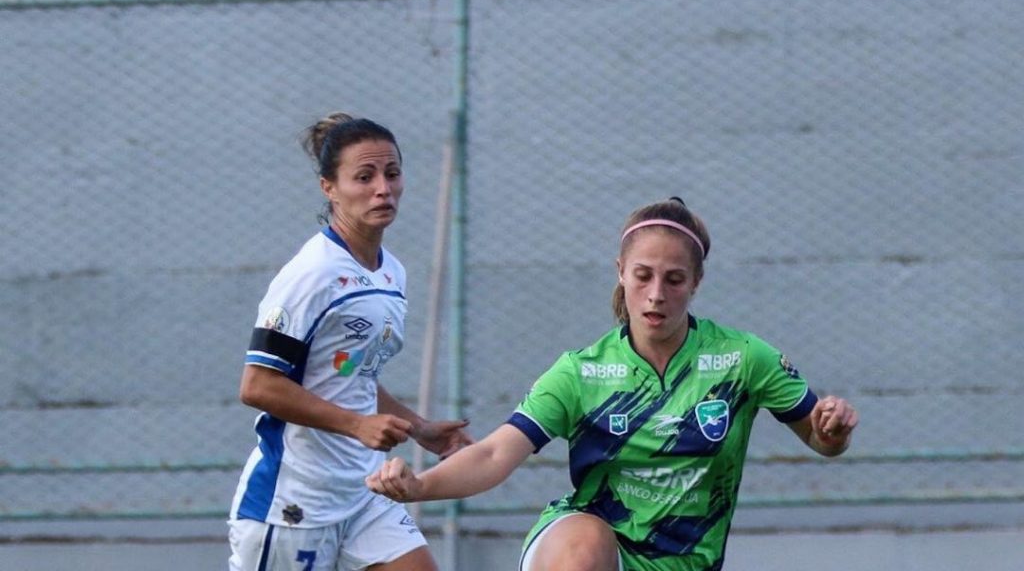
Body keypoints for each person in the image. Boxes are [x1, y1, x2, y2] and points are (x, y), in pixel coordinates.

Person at [366, 197, 859, 571]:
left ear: (696, 283)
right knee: (584, 548)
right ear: (621, 272)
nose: (656, 294)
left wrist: (831, 434)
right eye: (643, 275)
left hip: (687, 559)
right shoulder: (581, 372)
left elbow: (819, 438)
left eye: (674, 279)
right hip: (593, 548)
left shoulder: (742, 358)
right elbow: (496, 453)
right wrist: (418, 487)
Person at [228, 112, 472, 571]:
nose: (383, 188)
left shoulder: (390, 272)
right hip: (295, 503)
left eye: (392, 173)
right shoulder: (312, 275)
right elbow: (258, 386)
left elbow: (350, 374)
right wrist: (357, 426)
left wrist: (420, 428)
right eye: (364, 176)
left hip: (360, 491)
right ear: (329, 188)